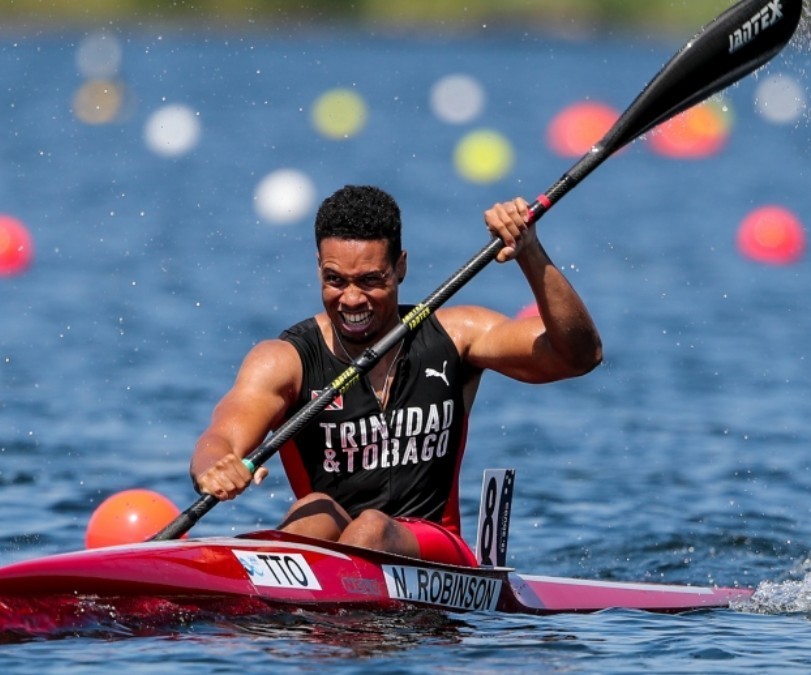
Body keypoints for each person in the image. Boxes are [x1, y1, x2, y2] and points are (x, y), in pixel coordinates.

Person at [189, 185, 601, 566]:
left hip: (436, 547)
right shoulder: (283, 359)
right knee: (310, 513)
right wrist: (216, 467)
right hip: (330, 545)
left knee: (370, 526)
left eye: (371, 281)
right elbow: (222, 436)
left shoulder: (458, 336)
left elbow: (578, 356)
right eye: (335, 280)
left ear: (400, 268)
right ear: (318, 268)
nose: (351, 299)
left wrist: (528, 250)